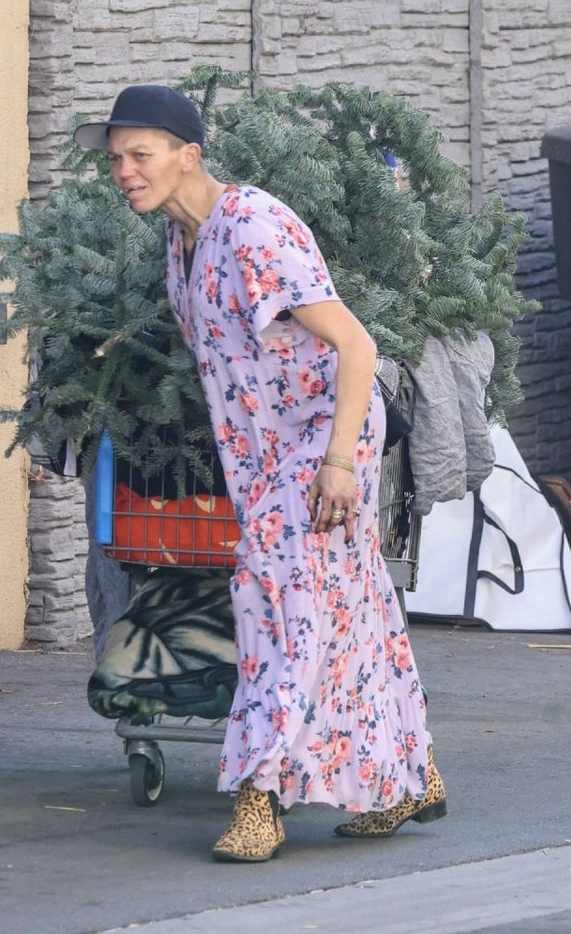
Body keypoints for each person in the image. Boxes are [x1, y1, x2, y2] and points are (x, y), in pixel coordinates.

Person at [74, 84, 447, 862]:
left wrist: (341, 462)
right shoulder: (181, 242)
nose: (124, 172)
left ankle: (258, 798)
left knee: (275, 602)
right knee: (354, 606)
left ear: (189, 155)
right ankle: (410, 779)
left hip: (321, 442)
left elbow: (356, 347)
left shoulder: (253, 230)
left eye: (140, 155)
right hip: (267, 458)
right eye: (116, 159)